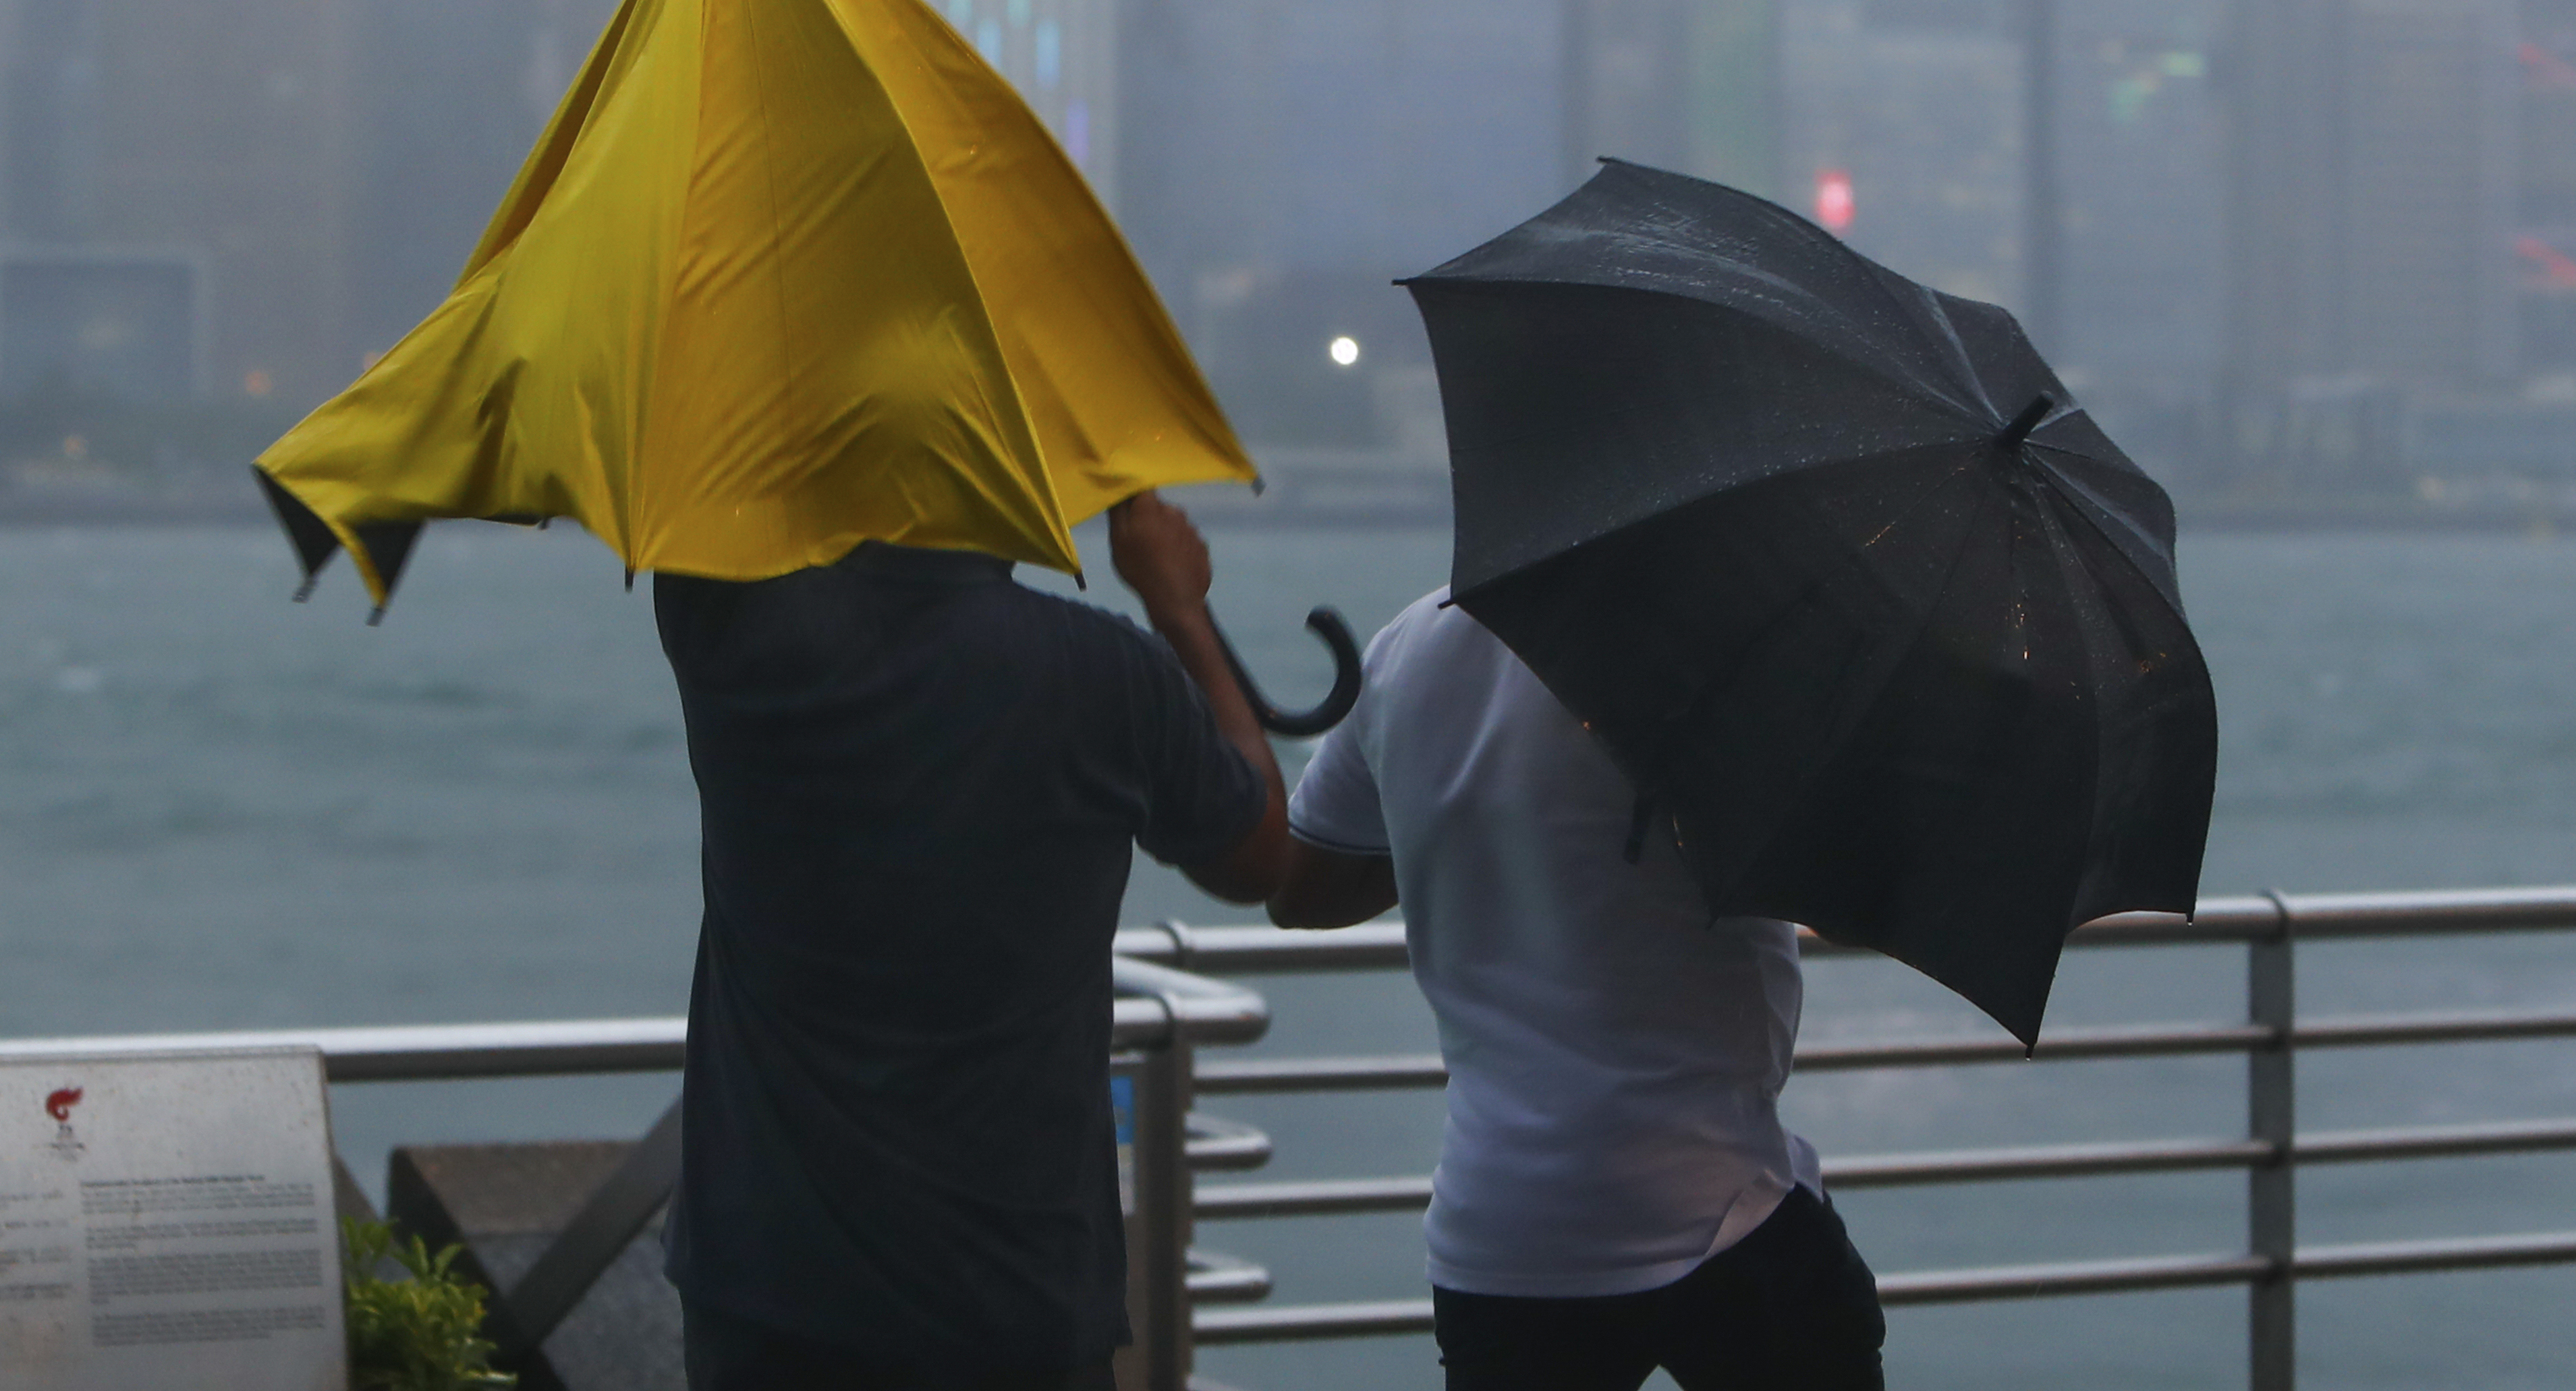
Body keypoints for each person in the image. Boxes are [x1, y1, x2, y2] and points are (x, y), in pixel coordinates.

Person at [652, 491, 1288, 1390]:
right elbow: (1261, 852)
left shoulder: (730, 618)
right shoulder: (1107, 671)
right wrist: (1176, 603)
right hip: (1016, 1296)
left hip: (765, 1283)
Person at [1270, 590, 1887, 1391]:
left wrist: (1478, 823)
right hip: (1714, 1201)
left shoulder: (1405, 649)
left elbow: (1299, 890)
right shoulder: (1714, 653)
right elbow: (1853, 895)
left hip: (1500, 1227)